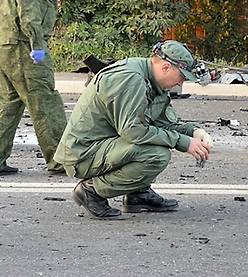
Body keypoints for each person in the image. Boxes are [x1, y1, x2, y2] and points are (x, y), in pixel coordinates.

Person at [54, 40, 215, 219]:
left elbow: (163, 123)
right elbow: (133, 131)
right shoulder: (132, 79)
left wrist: (194, 132)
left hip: (103, 146)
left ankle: (138, 194)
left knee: (155, 141)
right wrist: (183, 143)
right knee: (156, 155)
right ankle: (91, 191)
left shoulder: (153, 81)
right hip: (83, 154)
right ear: (166, 67)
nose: (180, 83)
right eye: (182, 76)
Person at [0, 0, 85, 175]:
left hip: (9, 41)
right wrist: (37, 44)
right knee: (45, 100)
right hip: (24, 43)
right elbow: (29, 5)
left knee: (9, 102)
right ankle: (62, 160)